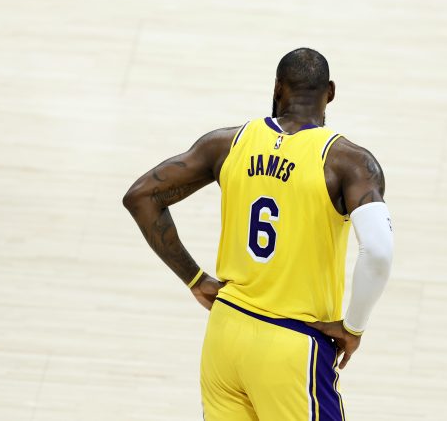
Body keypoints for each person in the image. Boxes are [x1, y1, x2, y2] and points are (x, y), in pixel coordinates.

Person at [122, 47, 393, 421]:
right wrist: (354, 326)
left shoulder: (226, 143)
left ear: (277, 87)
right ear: (330, 92)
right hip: (293, 343)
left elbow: (141, 196)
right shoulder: (349, 162)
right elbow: (378, 251)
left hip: (225, 335)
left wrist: (196, 279)